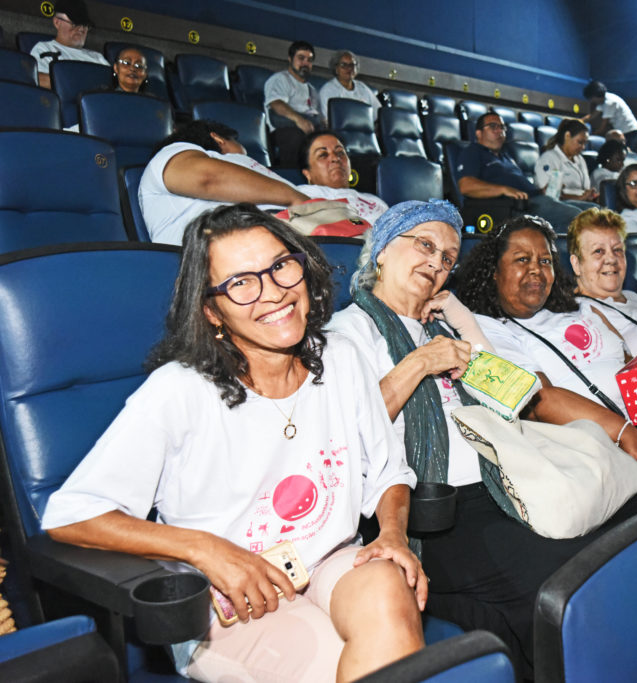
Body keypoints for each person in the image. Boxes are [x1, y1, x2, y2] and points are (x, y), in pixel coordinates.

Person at [41, 204, 426, 682]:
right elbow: (72, 515)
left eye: (281, 266)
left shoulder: (342, 357)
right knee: (336, 662)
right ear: (212, 310)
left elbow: (389, 472)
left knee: (390, 589)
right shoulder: (178, 390)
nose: (274, 293)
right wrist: (204, 548)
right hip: (226, 599)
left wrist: (392, 534)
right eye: (241, 283)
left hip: (328, 560)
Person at [328, 200, 637, 678]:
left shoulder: (439, 327)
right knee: (572, 581)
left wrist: (462, 324)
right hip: (439, 509)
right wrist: (419, 362)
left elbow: (516, 393)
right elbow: (341, 438)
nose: (437, 263)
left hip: (506, 478)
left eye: (447, 258)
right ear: (380, 251)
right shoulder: (347, 334)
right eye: (424, 245)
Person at [457, 213, 637, 512]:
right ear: (494, 271)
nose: (536, 269)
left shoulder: (579, 309)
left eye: (545, 261)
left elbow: (632, 368)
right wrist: (625, 432)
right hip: (610, 448)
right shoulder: (490, 329)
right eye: (522, 260)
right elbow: (540, 400)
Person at [140, 119, 309, 245]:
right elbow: (207, 178)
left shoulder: (266, 179)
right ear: (218, 139)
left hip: (286, 235)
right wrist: (297, 199)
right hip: (230, 248)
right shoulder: (173, 153)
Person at [455, 111, 595, 232]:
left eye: (502, 127)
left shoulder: (505, 155)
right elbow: (466, 186)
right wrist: (504, 190)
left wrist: (541, 191)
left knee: (594, 211)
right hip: (514, 207)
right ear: (478, 133)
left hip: (536, 199)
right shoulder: (473, 152)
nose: (500, 131)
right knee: (574, 215)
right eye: (493, 127)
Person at [295, 132, 389, 228]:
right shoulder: (300, 195)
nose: (335, 158)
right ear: (307, 173)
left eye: (340, 152)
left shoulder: (375, 201)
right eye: (323, 155)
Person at [264, 41, 326, 168]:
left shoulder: (312, 89)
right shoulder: (280, 79)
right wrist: (299, 120)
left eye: (309, 60)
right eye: (301, 58)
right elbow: (276, 104)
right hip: (284, 130)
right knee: (295, 137)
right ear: (290, 59)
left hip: (308, 127)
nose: (305, 63)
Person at [29, 0, 109, 90]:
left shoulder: (97, 57)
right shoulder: (44, 48)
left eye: (85, 24)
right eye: (75, 23)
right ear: (57, 22)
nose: (81, 29)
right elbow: (37, 79)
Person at [534, 118, 599, 203]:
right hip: (557, 205)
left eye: (585, 144)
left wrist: (589, 195)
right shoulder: (549, 158)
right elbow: (547, 194)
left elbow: (585, 189)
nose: (583, 147)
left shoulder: (580, 160)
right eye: (580, 142)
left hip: (580, 203)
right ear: (567, 136)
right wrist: (580, 198)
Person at [318, 50, 380, 122]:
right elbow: (328, 120)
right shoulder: (328, 90)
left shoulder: (363, 88)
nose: (349, 68)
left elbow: (378, 113)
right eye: (343, 65)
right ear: (336, 69)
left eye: (352, 65)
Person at [582, 81, 637, 151]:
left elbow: (603, 126)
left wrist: (592, 135)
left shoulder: (609, 102)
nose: (591, 101)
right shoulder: (603, 100)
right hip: (625, 132)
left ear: (596, 96)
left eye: (591, 99)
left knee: (627, 154)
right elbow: (591, 116)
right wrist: (578, 121)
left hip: (631, 132)